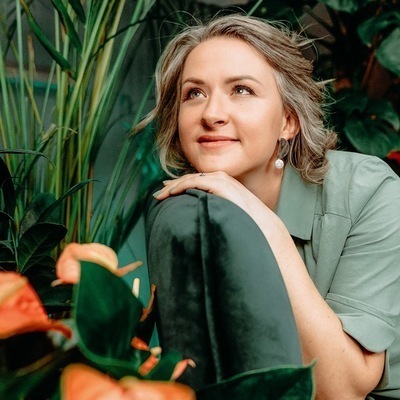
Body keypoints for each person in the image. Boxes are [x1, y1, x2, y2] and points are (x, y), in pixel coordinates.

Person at [137, 14, 400, 399]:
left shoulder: (370, 191)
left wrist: (266, 225)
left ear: (288, 122)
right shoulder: (187, 213)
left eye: (241, 90)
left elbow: (343, 388)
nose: (211, 114)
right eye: (194, 93)